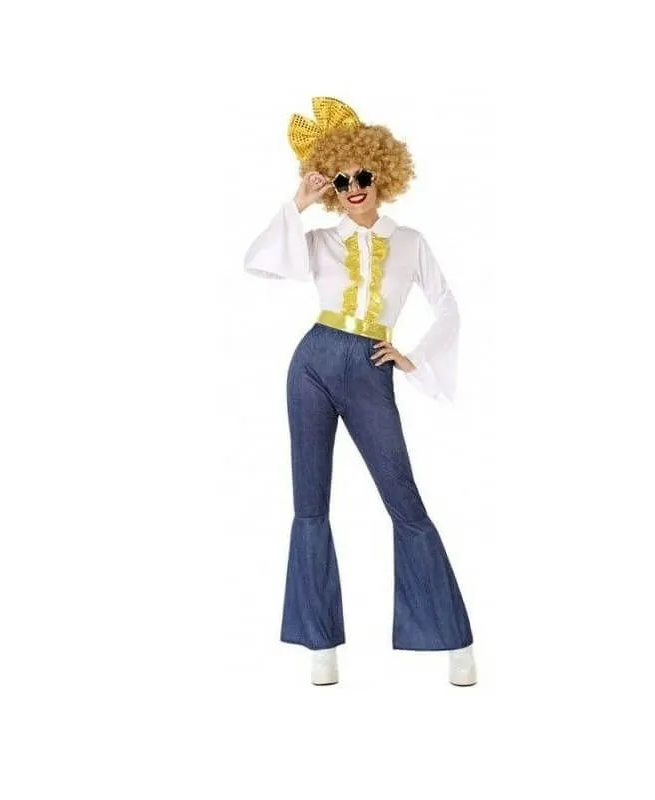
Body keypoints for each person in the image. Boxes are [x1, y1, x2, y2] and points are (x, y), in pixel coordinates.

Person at [243, 97, 477, 686]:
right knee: (309, 503)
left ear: (384, 175)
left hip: (372, 363)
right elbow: (261, 261)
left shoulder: (411, 241)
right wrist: (298, 201)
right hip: (313, 362)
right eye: (342, 180)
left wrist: (413, 357)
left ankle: (452, 640)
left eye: (363, 176)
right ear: (333, 186)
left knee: (405, 502)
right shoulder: (320, 239)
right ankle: (319, 644)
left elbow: (448, 305)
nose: (354, 188)